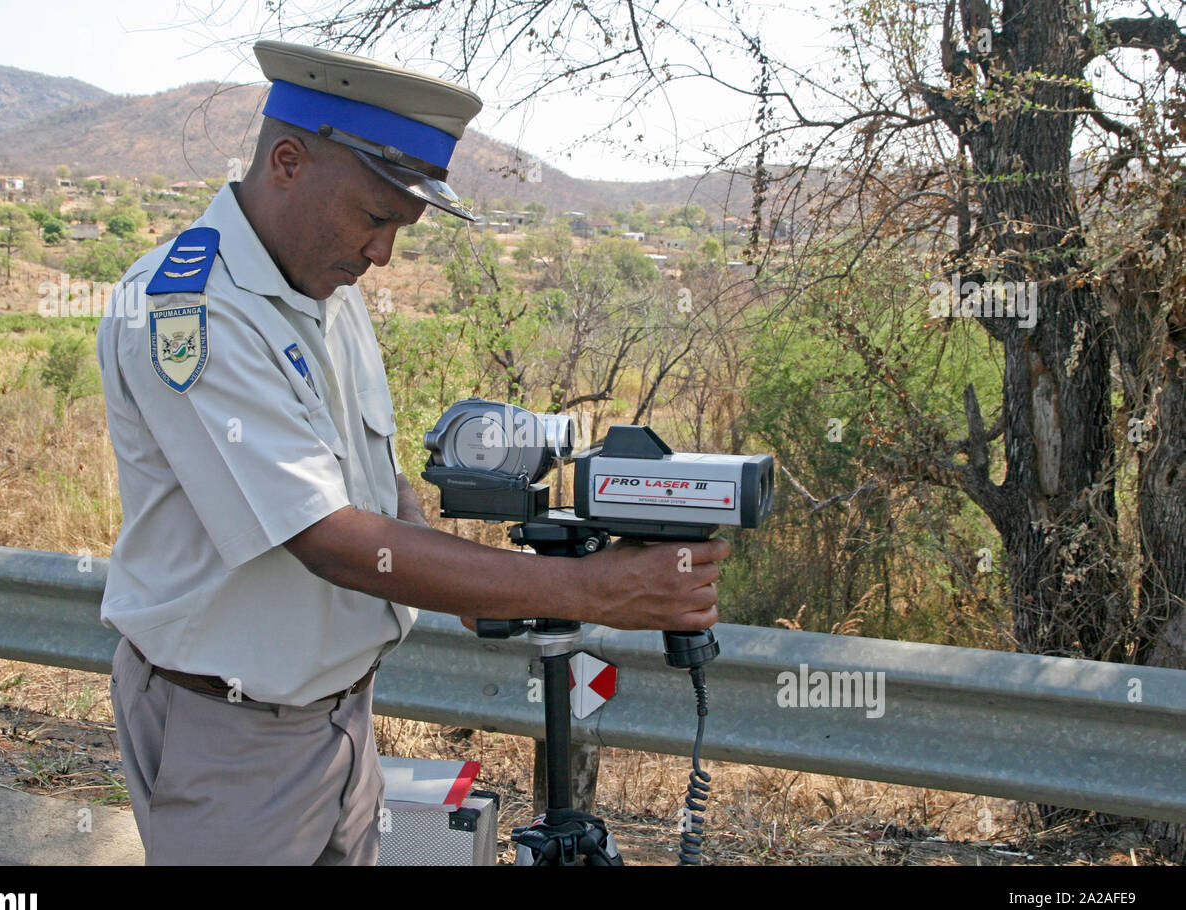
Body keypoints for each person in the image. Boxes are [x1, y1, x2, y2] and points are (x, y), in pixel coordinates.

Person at [97, 41, 730, 865]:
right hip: (233, 735)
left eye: (400, 226)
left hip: (341, 720)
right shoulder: (185, 313)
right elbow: (325, 536)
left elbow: (375, 475)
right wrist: (591, 590)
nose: (383, 253)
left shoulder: (324, 284)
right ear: (287, 161)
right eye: (375, 216)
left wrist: (472, 581)